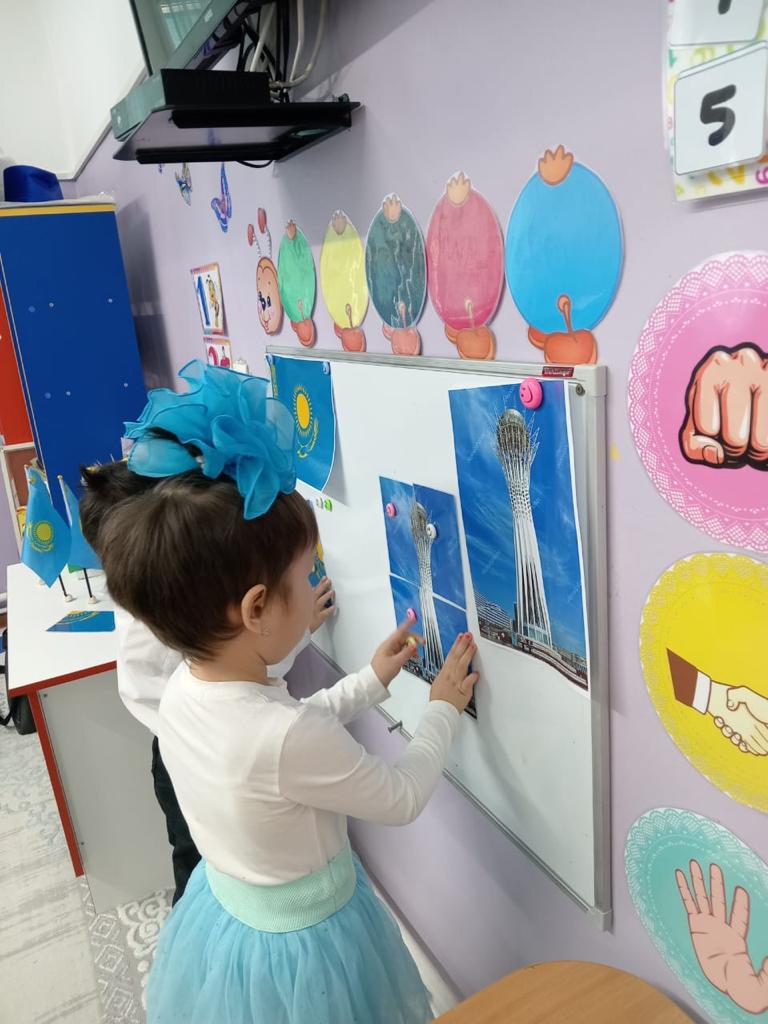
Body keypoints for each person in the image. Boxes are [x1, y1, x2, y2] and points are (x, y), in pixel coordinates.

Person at [98, 360, 478, 1024]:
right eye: (306, 576)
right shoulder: (282, 737)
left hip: (230, 925)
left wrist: (369, 681)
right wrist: (442, 708)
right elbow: (400, 796)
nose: (313, 586)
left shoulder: (186, 690)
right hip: (310, 952)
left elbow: (288, 736)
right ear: (255, 608)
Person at [80, 457, 336, 903]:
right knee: (202, 863)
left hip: (193, 740)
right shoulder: (170, 617)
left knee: (210, 859)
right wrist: (301, 631)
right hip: (196, 747)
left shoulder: (157, 593)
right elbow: (245, 675)